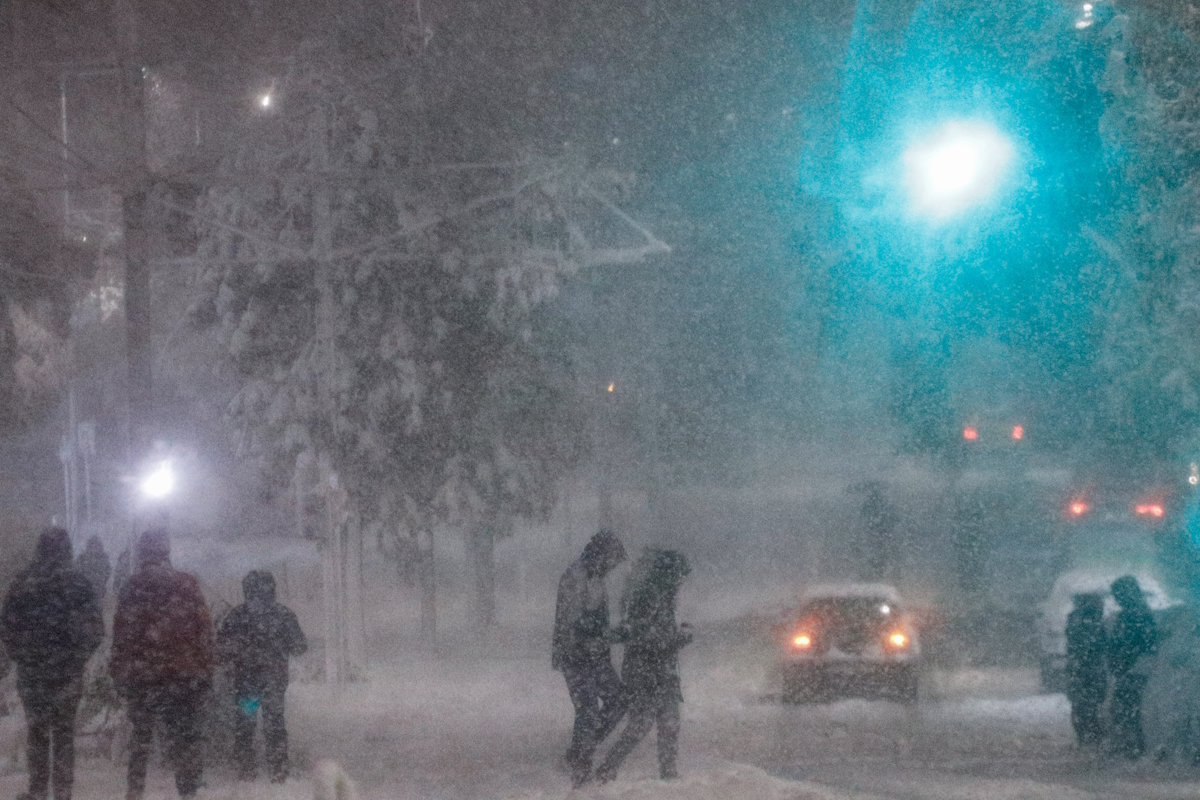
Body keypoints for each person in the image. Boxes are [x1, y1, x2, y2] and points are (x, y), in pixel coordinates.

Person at [0, 528, 104, 800]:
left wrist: (21, 655)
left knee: (37, 732)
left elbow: (7, 627)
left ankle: (37, 791)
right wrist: (78, 657)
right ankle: (63, 792)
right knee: (64, 733)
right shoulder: (79, 583)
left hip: (33, 673)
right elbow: (95, 630)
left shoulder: (23, 583)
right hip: (67, 673)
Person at [111, 530, 215, 800]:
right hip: (183, 675)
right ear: (166, 553)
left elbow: (123, 634)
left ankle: (135, 790)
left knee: (140, 738)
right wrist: (203, 669)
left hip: (143, 675)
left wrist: (120, 672)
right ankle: (188, 791)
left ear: (142, 554)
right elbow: (203, 629)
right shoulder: (187, 584)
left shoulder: (133, 587)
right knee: (185, 738)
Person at [595, 549, 692, 784]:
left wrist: (677, 634)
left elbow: (652, 631)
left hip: (662, 669)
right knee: (641, 724)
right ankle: (607, 768)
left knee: (669, 721)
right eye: (679, 575)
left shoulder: (665, 596)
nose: (681, 581)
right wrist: (677, 639)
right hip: (645, 670)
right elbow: (640, 633)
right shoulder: (649, 595)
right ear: (669, 574)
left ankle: (668, 772)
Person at [552, 529, 627, 788]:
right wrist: (602, 635)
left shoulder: (597, 577)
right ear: (602, 555)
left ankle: (579, 752)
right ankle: (580, 770)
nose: (613, 566)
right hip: (576, 655)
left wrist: (608, 637)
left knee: (618, 700)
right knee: (588, 710)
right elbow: (572, 623)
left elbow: (596, 621)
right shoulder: (576, 577)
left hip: (595, 653)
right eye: (613, 559)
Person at [217, 570, 307, 783]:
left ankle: (246, 769)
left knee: (245, 724)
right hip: (274, 681)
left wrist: (240, 651)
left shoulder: (237, 615)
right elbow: (299, 646)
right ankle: (278, 769)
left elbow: (222, 651)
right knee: (275, 723)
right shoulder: (284, 614)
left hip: (246, 682)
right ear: (272, 590)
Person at [1108, 574, 1158, 759]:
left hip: (1135, 670)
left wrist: (1123, 660)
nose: (1116, 599)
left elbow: (1138, 644)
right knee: (1127, 710)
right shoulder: (1136, 614)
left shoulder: (1136, 615)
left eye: (1118, 595)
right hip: (1132, 670)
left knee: (1128, 710)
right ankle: (1132, 747)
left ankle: (1134, 749)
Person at [1065, 592, 1107, 746]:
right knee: (1091, 704)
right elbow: (1098, 644)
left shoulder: (1074, 619)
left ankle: (1085, 738)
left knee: (1081, 704)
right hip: (1090, 668)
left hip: (1079, 668)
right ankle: (1091, 737)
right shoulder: (1094, 620)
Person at [75, 536, 111, 604]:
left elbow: (77, 571)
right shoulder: (103, 557)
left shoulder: (82, 557)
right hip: (95, 588)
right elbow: (108, 572)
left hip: (86, 588)